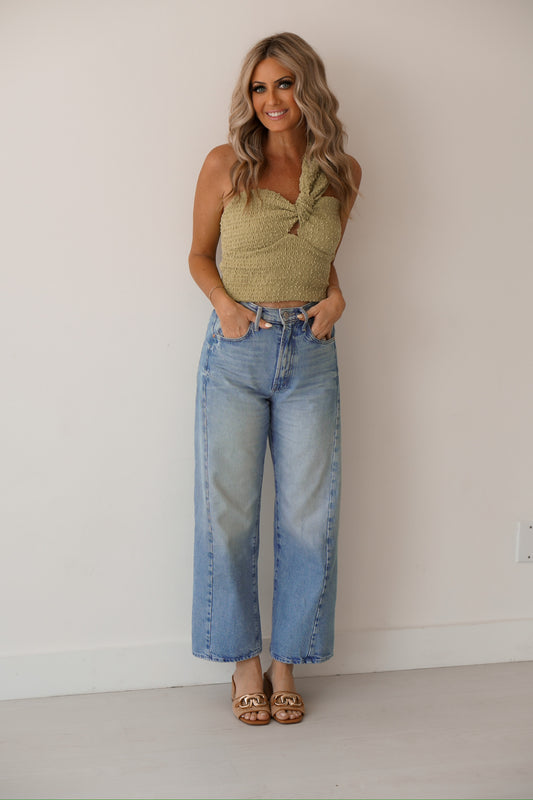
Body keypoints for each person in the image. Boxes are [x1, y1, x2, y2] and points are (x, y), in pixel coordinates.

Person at [189, 31, 361, 725]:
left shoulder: (342, 171)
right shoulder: (224, 163)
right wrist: (227, 308)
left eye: (284, 84)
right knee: (228, 518)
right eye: (258, 88)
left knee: (307, 517)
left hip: (311, 353)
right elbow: (199, 255)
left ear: (307, 88)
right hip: (236, 352)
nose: (271, 100)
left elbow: (319, 257)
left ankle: (287, 662)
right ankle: (243, 667)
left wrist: (338, 295)